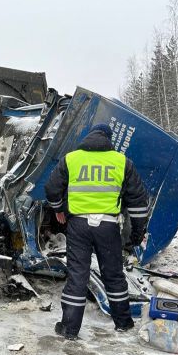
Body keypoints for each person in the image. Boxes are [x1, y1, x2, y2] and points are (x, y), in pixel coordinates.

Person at [44, 123, 149, 340]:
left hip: (78, 225)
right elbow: (138, 201)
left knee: (77, 276)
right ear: (109, 139)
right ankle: (123, 322)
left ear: (89, 137)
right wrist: (137, 232)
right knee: (113, 274)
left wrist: (58, 209)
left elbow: (52, 188)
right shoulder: (122, 162)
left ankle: (70, 329)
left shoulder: (71, 158)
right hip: (108, 226)